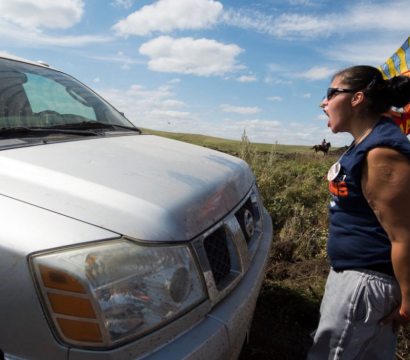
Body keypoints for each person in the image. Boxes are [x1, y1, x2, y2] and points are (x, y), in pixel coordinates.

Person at [308, 65, 410, 360]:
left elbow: (404, 234)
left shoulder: (381, 151)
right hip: (355, 279)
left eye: (330, 94)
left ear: (357, 99)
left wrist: (407, 303)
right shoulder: (365, 142)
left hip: (366, 285)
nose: (323, 103)